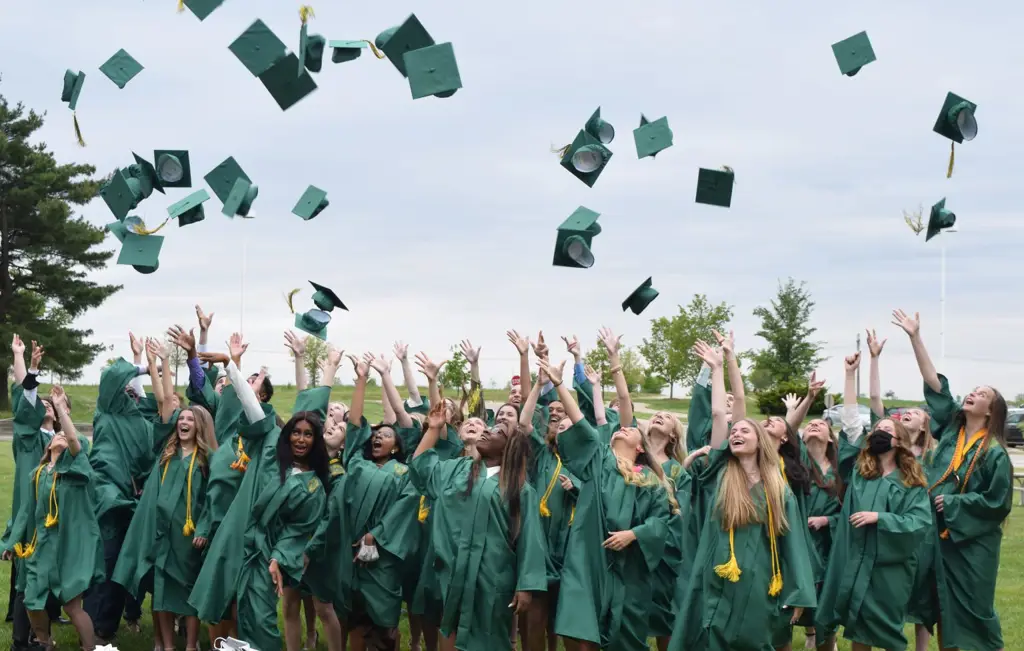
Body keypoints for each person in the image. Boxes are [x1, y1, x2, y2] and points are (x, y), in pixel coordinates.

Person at [669, 340, 816, 651]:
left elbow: (794, 544)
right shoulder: (720, 475)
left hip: (759, 581)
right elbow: (721, 414)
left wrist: (800, 591)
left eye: (745, 431)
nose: (736, 433)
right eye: (735, 433)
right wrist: (719, 367)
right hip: (714, 579)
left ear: (760, 441)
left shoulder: (778, 488)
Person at [188, 352, 329, 651]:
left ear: (316, 441)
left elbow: (298, 530)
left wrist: (279, 557)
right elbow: (253, 408)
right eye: (296, 433)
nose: (301, 439)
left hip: (264, 554)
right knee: (219, 603)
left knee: (260, 618)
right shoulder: (270, 447)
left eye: (308, 435)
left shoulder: (314, 486)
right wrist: (231, 366)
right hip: (235, 536)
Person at [893, 309, 1012, 651]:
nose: (972, 394)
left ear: (990, 411)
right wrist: (915, 337)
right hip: (937, 535)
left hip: (972, 545)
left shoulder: (995, 454)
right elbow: (936, 385)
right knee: (940, 605)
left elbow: (997, 504)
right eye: (972, 390)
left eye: (982, 394)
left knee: (973, 609)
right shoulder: (950, 431)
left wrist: (958, 503)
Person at [539, 356, 673, 651]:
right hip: (586, 559)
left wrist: (634, 534)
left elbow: (661, 521)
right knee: (576, 627)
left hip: (628, 569)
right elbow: (581, 424)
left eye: (630, 429)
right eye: (619, 429)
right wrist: (560, 384)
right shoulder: (599, 459)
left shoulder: (650, 480)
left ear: (640, 447)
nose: (621, 429)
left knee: (623, 635)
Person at [409, 395, 546, 651]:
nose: (487, 431)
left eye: (496, 431)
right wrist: (434, 428)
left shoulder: (520, 489)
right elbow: (420, 467)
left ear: (508, 446)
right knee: (449, 624)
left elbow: (530, 539)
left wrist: (526, 585)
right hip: (453, 568)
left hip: (492, 575)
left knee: (489, 635)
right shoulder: (459, 469)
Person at [114, 338, 218, 651]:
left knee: (187, 589)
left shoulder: (206, 459)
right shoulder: (166, 453)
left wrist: (203, 528)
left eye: (189, 420)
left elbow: (212, 499)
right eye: (181, 420)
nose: (183, 422)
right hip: (161, 532)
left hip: (188, 537)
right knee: (161, 590)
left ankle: (190, 646)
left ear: (199, 426)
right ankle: (167, 646)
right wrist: (159, 362)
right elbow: (165, 400)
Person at [4, 385, 103, 651]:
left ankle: (88, 648)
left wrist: (60, 407)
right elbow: (25, 511)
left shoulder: (75, 463)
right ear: (47, 444)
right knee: (31, 600)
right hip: (43, 545)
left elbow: (73, 442)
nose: (61, 437)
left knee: (72, 606)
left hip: (71, 544)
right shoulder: (37, 474)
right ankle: (45, 643)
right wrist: (10, 542)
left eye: (63, 434)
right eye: (55, 436)